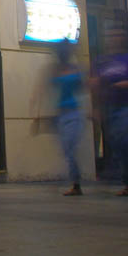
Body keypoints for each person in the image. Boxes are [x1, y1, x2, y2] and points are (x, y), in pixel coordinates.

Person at [95, 29, 128, 197]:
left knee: (125, 138)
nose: (113, 39)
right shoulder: (103, 61)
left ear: (124, 39)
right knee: (116, 142)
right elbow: (97, 84)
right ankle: (127, 178)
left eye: (117, 36)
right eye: (110, 36)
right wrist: (97, 107)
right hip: (110, 106)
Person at [52, 39, 84, 196]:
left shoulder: (74, 69)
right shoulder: (56, 70)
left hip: (73, 113)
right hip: (61, 114)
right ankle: (75, 181)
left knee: (70, 149)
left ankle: (76, 183)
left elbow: (83, 87)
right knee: (66, 150)